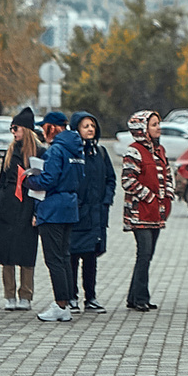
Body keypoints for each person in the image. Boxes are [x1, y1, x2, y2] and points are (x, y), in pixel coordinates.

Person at [119, 110, 176, 313]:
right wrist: (150, 197)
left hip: (156, 213)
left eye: (158, 124)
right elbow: (127, 181)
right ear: (142, 129)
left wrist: (168, 195)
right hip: (140, 213)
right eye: (153, 124)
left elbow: (168, 175)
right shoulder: (133, 151)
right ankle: (141, 297)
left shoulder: (160, 151)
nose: (158, 127)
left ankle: (134, 297)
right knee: (143, 254)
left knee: (148, 255)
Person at [30, 108, 84, 322]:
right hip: (70, 207)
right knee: (64, 257)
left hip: (52, 209)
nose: (43, 132)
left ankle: (60, 305)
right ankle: (68, 301)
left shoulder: (56, 150)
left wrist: (27, 180)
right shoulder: (76, 150)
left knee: (54, 259)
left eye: (45, 128)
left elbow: (48, 180)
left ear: (53, 127)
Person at [0, 109, 40, 311]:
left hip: (28, 204)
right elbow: (2, 180)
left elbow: (42, 184)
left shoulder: (39, 151)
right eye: (11, 128)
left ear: (26, 129)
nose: (13, 132)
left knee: (26, 251)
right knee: (6, 252)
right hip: (7, 205)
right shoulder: (10, 151)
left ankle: (26, 294)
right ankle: (9, 294)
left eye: (16, 128)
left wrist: (38, 211)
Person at [71, 112, 117, 313]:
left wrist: (106, 200)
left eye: (92, 125)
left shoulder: (101, 153)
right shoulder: (72, 152)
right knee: (72, 257)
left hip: (97, 214)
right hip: (77, 213)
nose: (90, 129)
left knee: (91, 258)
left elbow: (110, 179)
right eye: (85, 126)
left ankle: (91, 297)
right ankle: (71, 297)